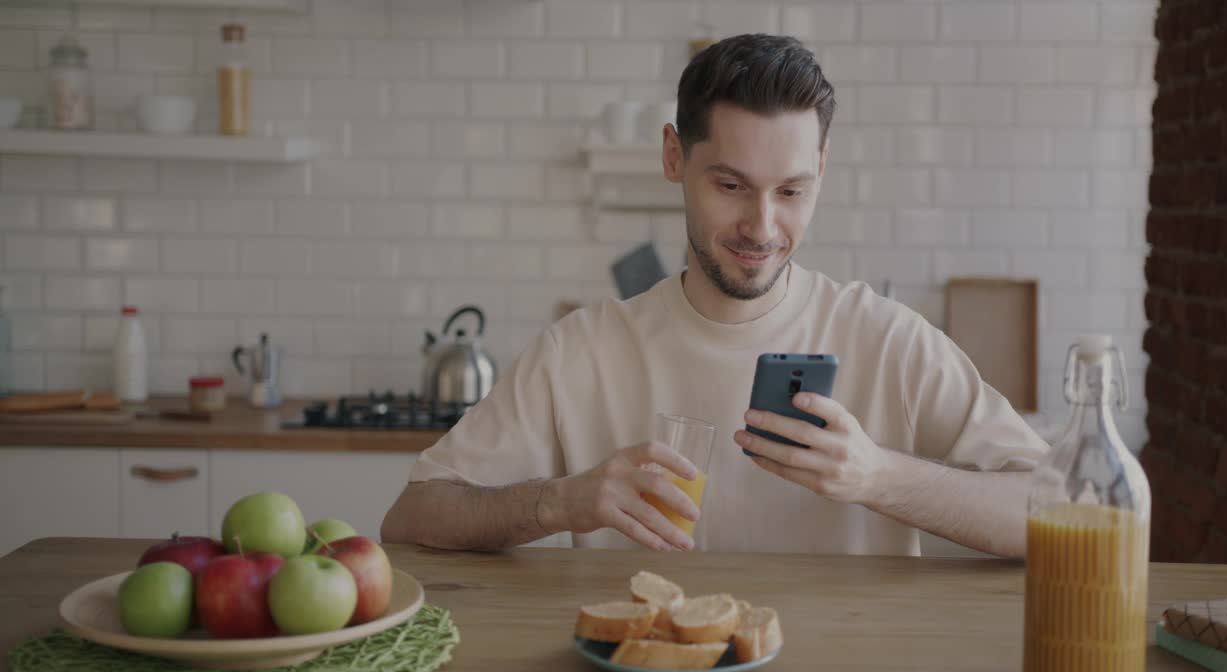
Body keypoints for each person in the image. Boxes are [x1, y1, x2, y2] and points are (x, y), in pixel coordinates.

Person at [382, 34, 1047, 558]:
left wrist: (877, 477)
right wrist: (558, 503)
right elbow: (411, 520)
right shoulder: (579, 353)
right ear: (675, 157)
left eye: (791, 191)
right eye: (730, 186)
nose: (762, 227)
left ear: (821, 169)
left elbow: (1067, 513)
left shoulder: (889, 341)